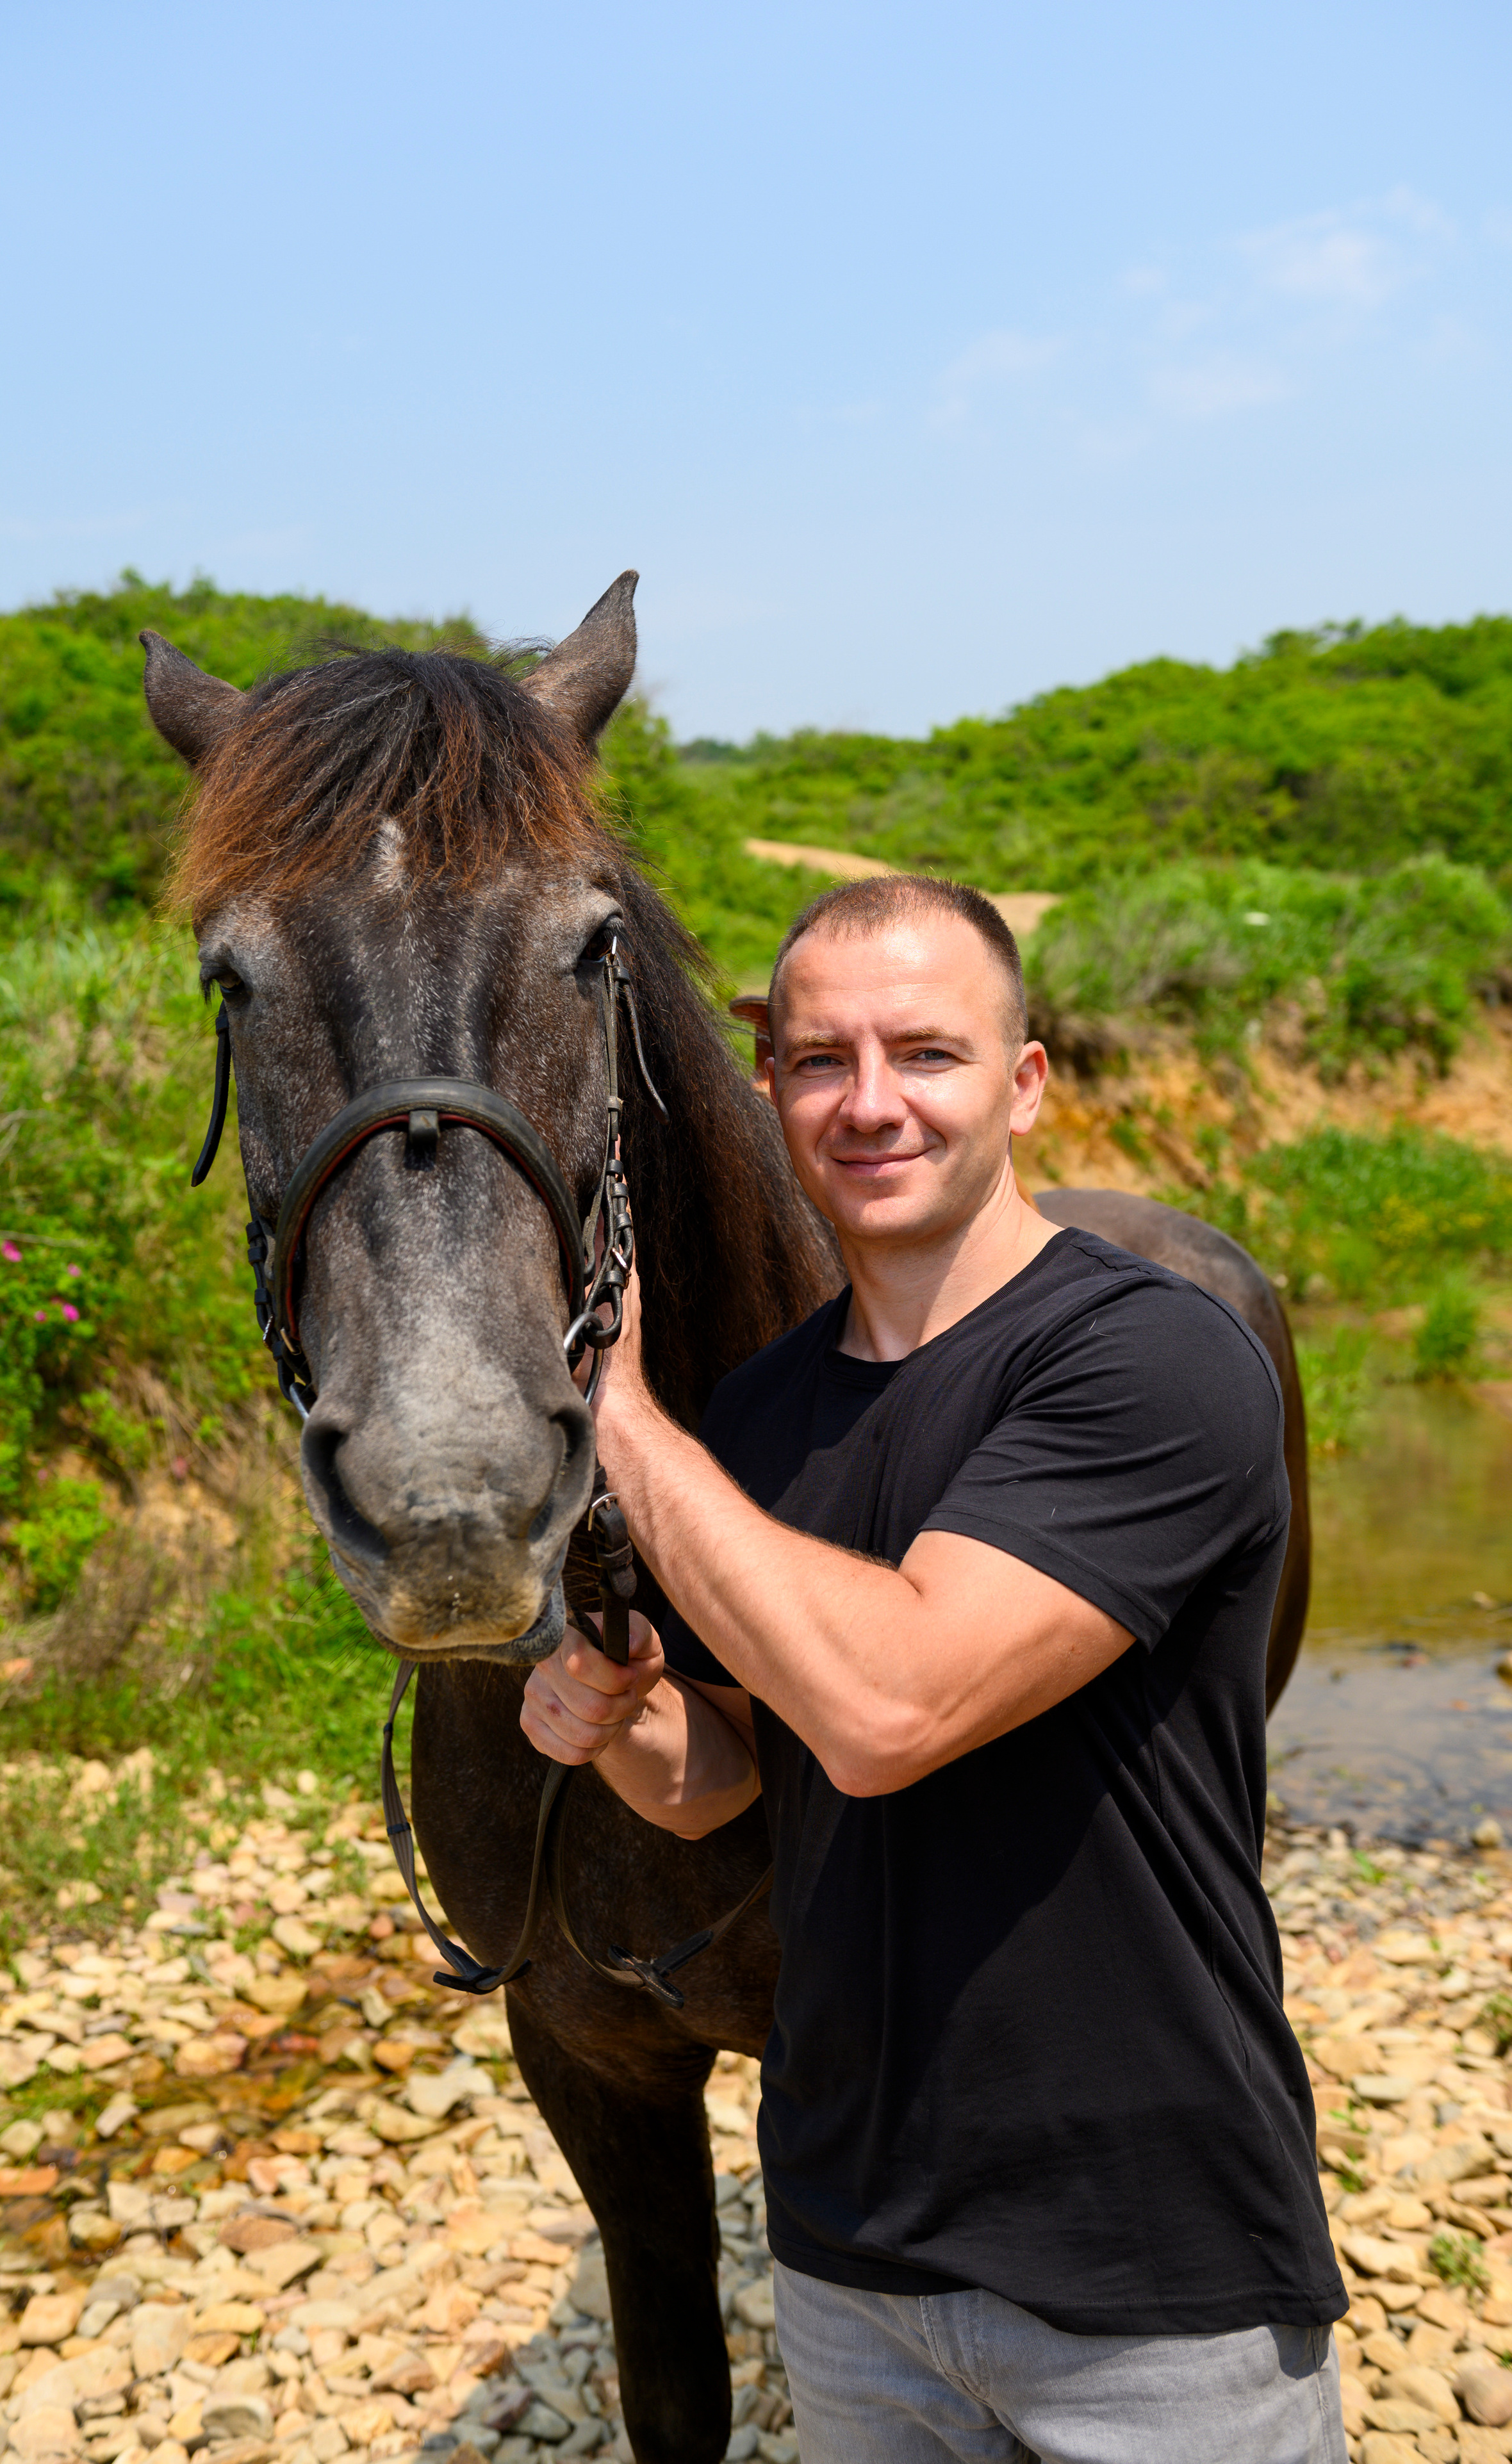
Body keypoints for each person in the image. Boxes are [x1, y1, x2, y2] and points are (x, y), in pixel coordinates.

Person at [521, 876, 1346, 2464]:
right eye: (820, 1060)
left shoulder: (1149, 1359)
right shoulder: (759, 1419)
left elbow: (886, 1710)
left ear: (1023, 1082)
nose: (870, 1102)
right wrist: (617, 1716)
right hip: (852, 2265)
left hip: (1145, 2268)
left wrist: (613, 1411)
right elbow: (733, 1782)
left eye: (926, 1054)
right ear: (768, 1091)